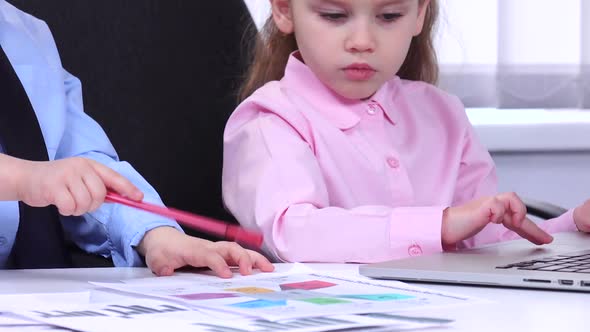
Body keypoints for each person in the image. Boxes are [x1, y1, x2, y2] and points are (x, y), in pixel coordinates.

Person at [222, 0, 590, 263]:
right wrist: (440, 225)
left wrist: (571, 224)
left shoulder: (442, 113)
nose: (362, 40)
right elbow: (293, 234)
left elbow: (489, 243)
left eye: (390, 15)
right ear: (284, 9)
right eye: (334, 15)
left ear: (419, 14)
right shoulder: (270, 120)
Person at [0, 0, 273, 277]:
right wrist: (22, 178)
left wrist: (157, 234)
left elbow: (79, 166)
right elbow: (38, 177)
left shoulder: (29, 38)